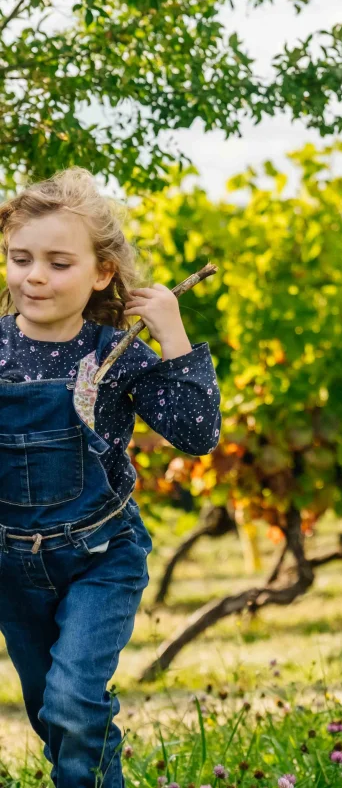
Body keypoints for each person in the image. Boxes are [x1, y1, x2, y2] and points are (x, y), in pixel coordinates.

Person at [0, 167, 222, 787]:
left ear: (101, 272)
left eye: (58, 263)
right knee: (53, 714)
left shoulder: (113, 353)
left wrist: (173, 335)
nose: (34, 276)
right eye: (20, 259)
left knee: (73, 700)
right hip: (12, 565)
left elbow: (197, 433)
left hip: (101, 555)